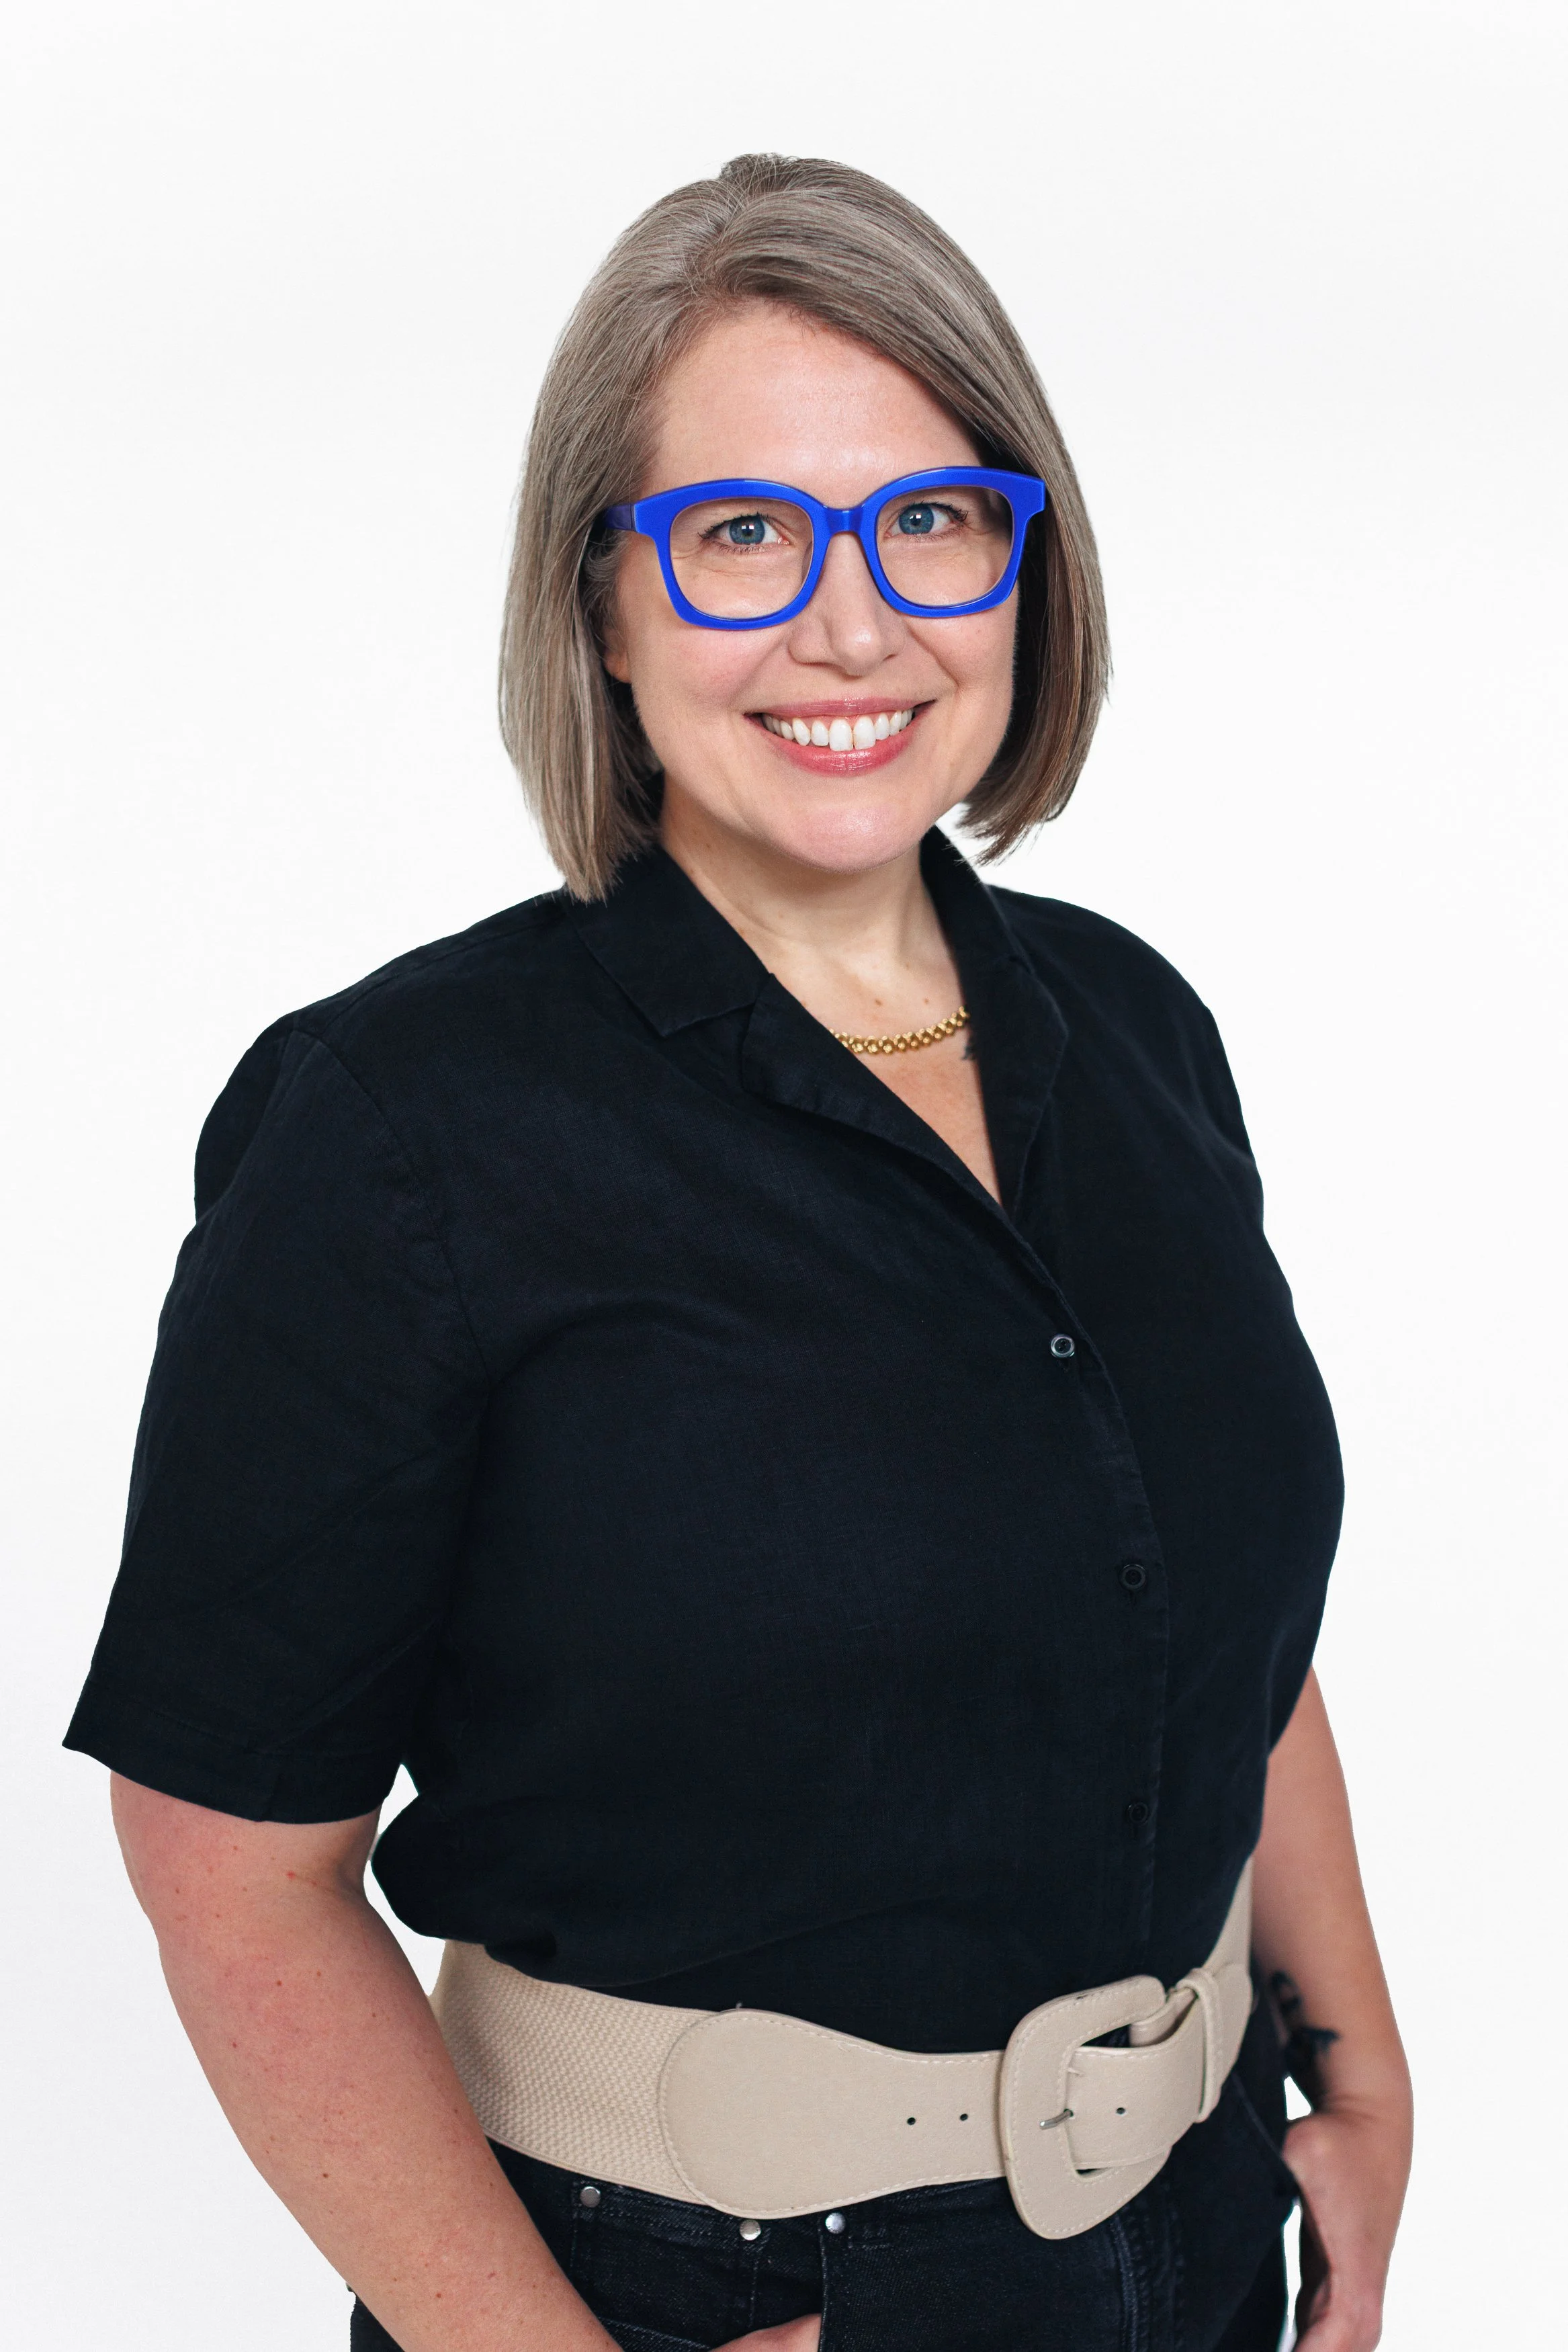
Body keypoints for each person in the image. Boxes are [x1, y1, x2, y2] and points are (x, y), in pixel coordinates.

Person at [67, 154, 1411, 2352]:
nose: (849, 623)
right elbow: (231, 1871)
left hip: (1192, 2230)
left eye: (930, 522)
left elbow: (1202, 1594)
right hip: (697, 2294)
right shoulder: (402, 1127)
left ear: (1020, 560)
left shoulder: (1134, 1027)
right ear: (600, 600)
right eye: (742, 538)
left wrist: (1351, 2062)